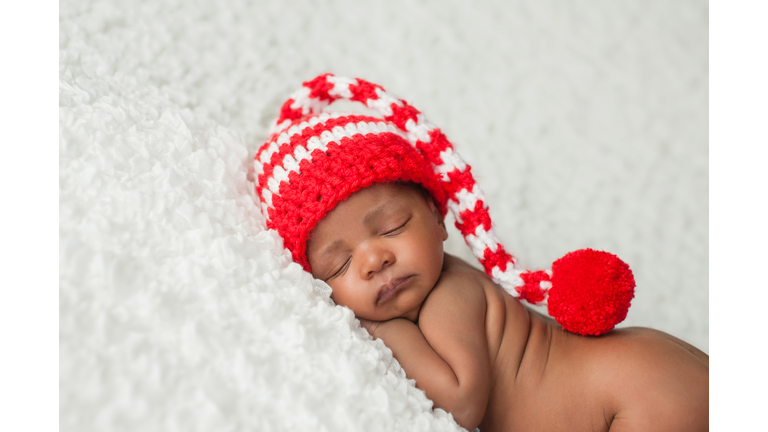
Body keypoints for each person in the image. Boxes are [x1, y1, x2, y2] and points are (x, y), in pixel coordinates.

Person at [254, 74, 709, 431]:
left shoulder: (450, 294)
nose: (374, 259)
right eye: (340, 264)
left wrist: (380, 328)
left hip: (632, 393)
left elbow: (463, 401)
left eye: (391, 227)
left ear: (437, 217)